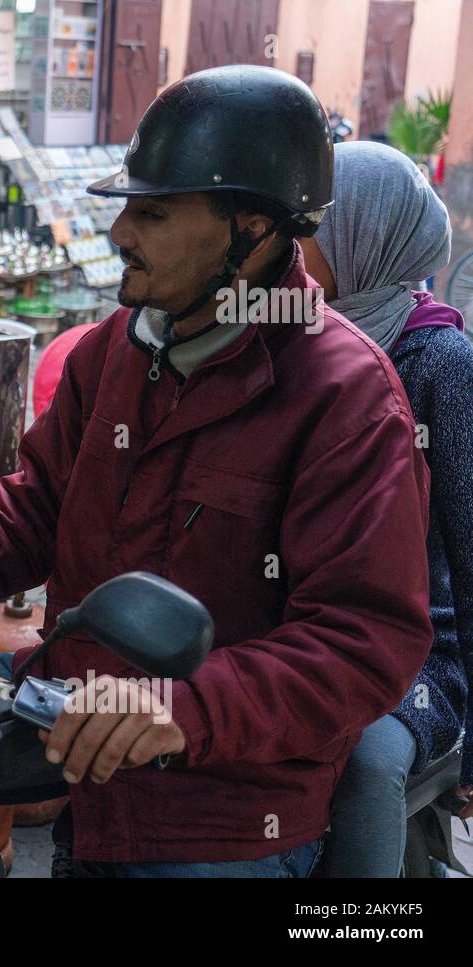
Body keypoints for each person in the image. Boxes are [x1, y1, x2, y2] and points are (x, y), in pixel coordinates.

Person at [0, 66, 433, 876]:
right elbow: (36, 505)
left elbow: (363, 642)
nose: (121, 234)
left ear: (250, 230)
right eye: (125, 207)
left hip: (222, 825)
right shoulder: (114, 349)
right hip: (82, 767)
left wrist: (180, 709)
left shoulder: (347, 396)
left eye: (152, 213)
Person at [299, 140, 473, 876]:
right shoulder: (297, 342)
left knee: (367, 756)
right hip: (311, 624)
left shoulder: (439, 361)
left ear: (362, 238)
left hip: (419, 653)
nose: (292, 251)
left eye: (309, 234)